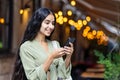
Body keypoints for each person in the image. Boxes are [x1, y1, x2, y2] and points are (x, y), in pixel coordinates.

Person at [12, 8, 74, 80]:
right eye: (47, 23)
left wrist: (68, 56)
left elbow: (62, 74)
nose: (51, 27)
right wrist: (51, 57)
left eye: (53, 23)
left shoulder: (55, 45)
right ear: (37, 23)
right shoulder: (26, 47)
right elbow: (32, 77)